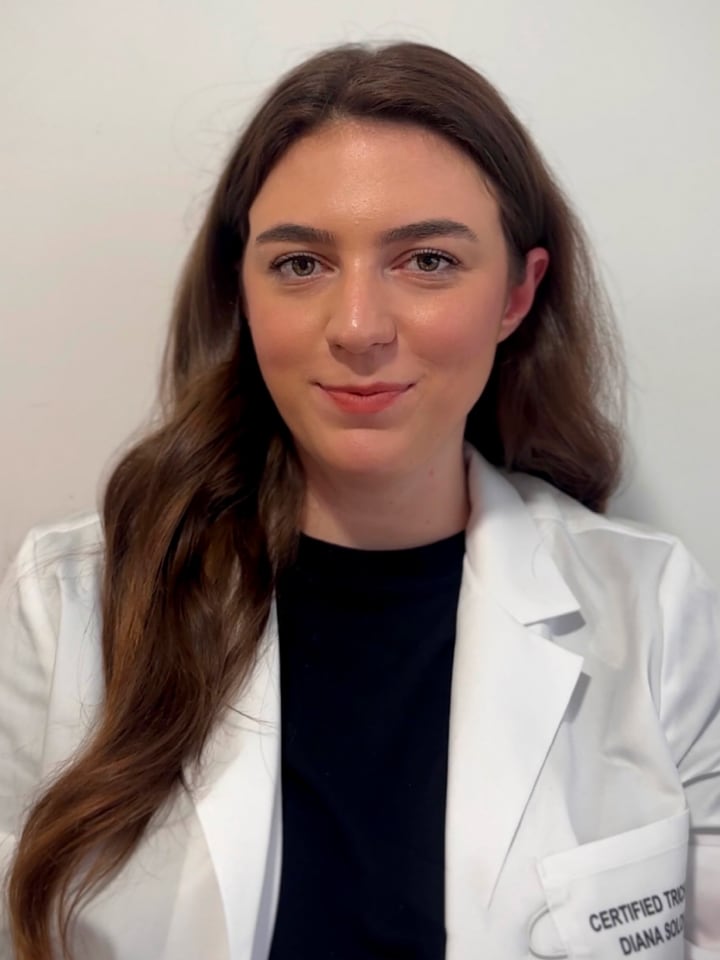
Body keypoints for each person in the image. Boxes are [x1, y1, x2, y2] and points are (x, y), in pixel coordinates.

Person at [1, 39, 718, 960]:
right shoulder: (66, 603)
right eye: (301, 264)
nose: (356, 328)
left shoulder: (657, 612)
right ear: (241, 291)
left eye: (427, 260)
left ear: (517, 294)